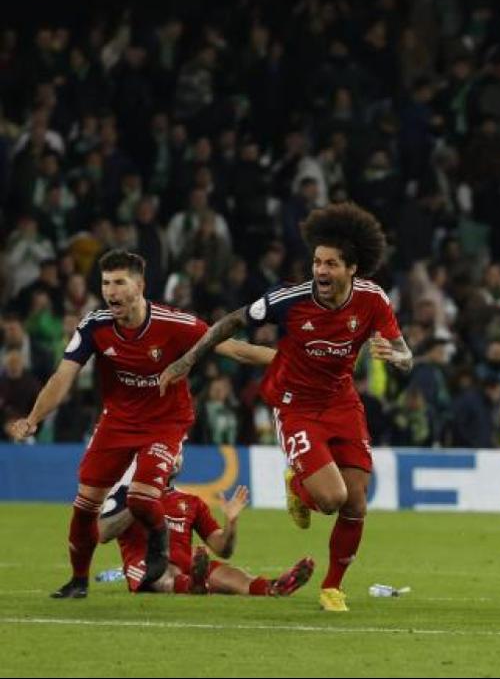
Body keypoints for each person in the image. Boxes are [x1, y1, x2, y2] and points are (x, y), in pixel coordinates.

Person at [158, 203, 414, 613]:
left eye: (331, 263)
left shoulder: (372, 299)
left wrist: (397, 358)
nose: (321, 271)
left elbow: (405, 355)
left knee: (357, 503)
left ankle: (332, 587)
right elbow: (233, 321)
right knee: (331, 498)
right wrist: (187, 360)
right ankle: (297, 484)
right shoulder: (290, 300)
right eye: (317, 262)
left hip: (343, 402)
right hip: (296, 405)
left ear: (353, 268)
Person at [4, 250, 274, 599]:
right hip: (117, 422)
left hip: (166, 423)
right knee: (85, 506)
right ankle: (78, 581)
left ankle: (159, 545)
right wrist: (33, 418)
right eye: (105, 283)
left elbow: (234, 348)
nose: (111, 292)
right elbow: (63, 375)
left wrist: (290, 361)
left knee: (143, 495)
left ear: (140, 285)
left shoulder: (176, 324)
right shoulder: (94, 326)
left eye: (119, 282)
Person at [99, 460, 314, 597]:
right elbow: (102, 533)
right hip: (147, 566)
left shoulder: (191, 502)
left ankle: (274, 587)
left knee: (233, 575)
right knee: (167, 574)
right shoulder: (125, 494)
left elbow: (223, 548)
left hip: (190, 566)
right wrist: (138, 502)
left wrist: (231, 523)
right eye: (170, 452)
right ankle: (193, 583)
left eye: (177, 453)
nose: (174, 458)